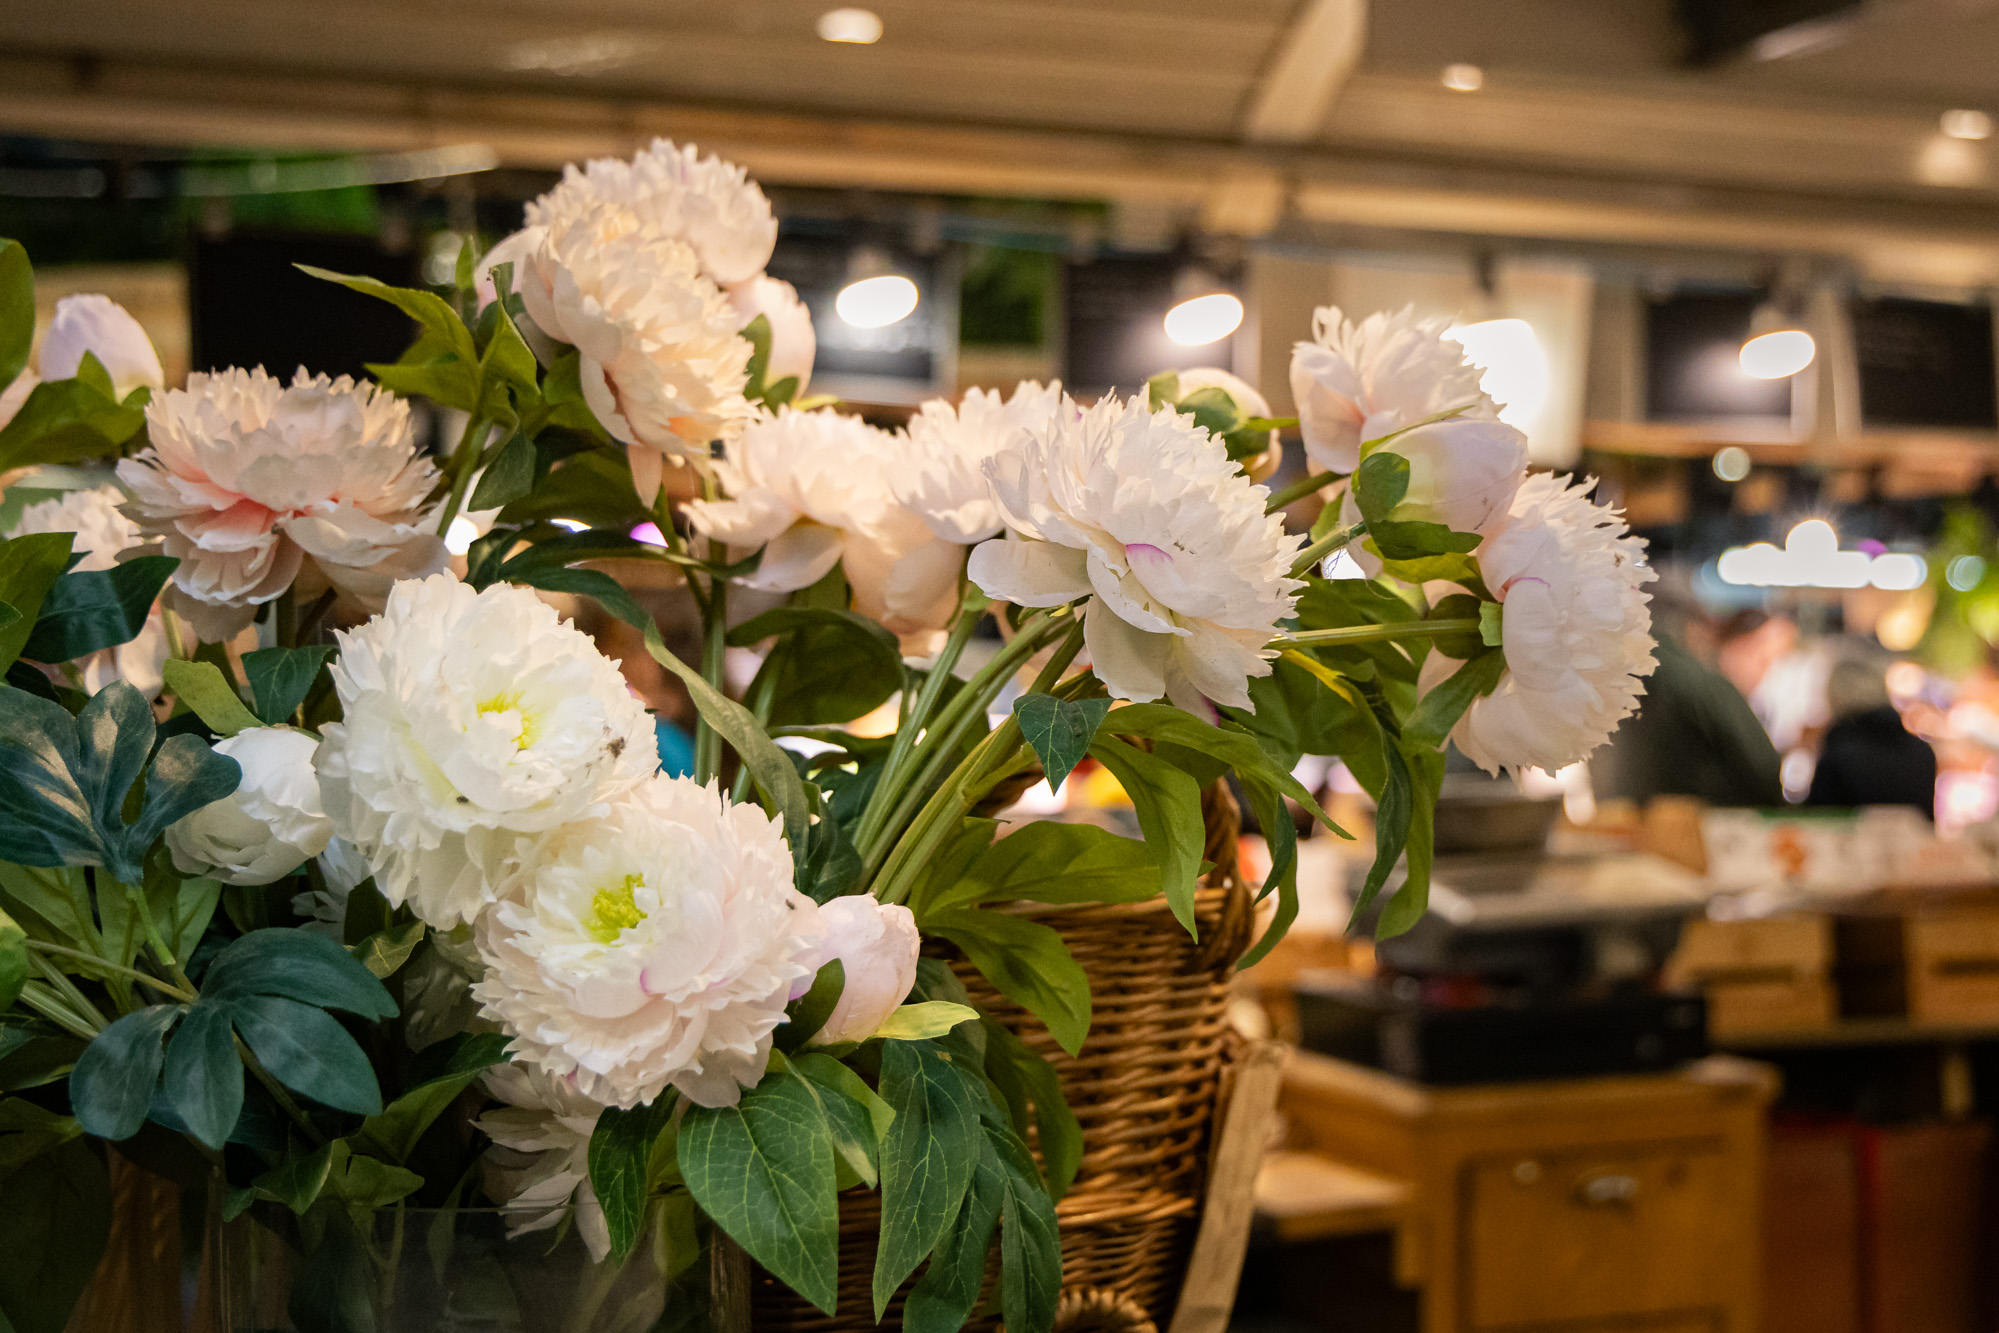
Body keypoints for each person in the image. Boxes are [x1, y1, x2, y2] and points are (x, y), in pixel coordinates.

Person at [1592, 578, 1784, 807]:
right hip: (1703, 827)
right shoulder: (1700, 683)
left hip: (1625, 826)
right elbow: (1766, 770)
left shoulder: (1605, 679)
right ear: (1690, 624)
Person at [1805, 657, 1936, 818]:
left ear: (1835, 696)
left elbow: (1818, 823)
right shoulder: (1922, 752)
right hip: (1913, 843)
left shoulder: (1838, 755)